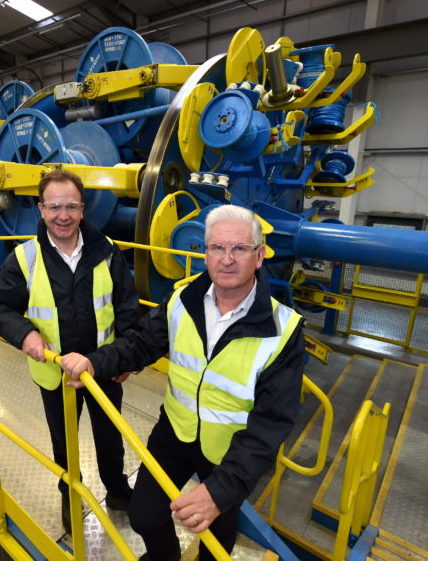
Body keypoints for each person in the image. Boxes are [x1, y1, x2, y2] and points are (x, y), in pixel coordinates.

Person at [60, 204, 305, 560]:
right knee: (144, 515)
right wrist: (95, 362)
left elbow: (272, 423)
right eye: (217, 248)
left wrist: (221, 491)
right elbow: (142, 343)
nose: (227, 259)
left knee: (216, 540)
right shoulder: (182, 299)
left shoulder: (283, 330)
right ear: (205, 253)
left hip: (228, 452)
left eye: (240, 248)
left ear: (260, 255)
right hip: (175, 431)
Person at [0, 169, 138, 534]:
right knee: (63, 442)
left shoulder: (106, 252)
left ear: (83, 209)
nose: (62, 215)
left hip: (103, 368)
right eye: (54, 207)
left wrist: (126, 358)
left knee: (110, 437)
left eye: (70, 206)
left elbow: (127, 308)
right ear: (40, 209)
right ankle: (71, 493)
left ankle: (116, 490)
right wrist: (25, 335)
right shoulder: (26, 258)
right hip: (55, 372)